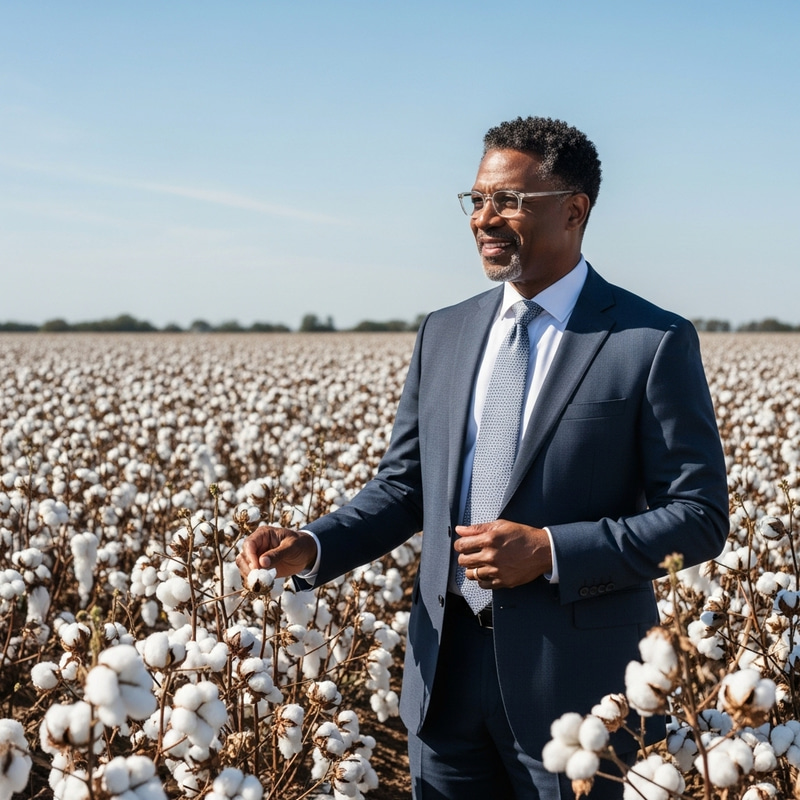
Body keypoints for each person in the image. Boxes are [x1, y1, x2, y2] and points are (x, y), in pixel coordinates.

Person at [237, 116, 728, 799]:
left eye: (510, 201)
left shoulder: (650, 341)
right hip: (443, 684)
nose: (485, 219)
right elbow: (408, 487)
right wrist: (312, 546)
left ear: (575, 209)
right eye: (477, 200)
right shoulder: (446, 331)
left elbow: (699, 515)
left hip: (580, 698)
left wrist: (552, 549)